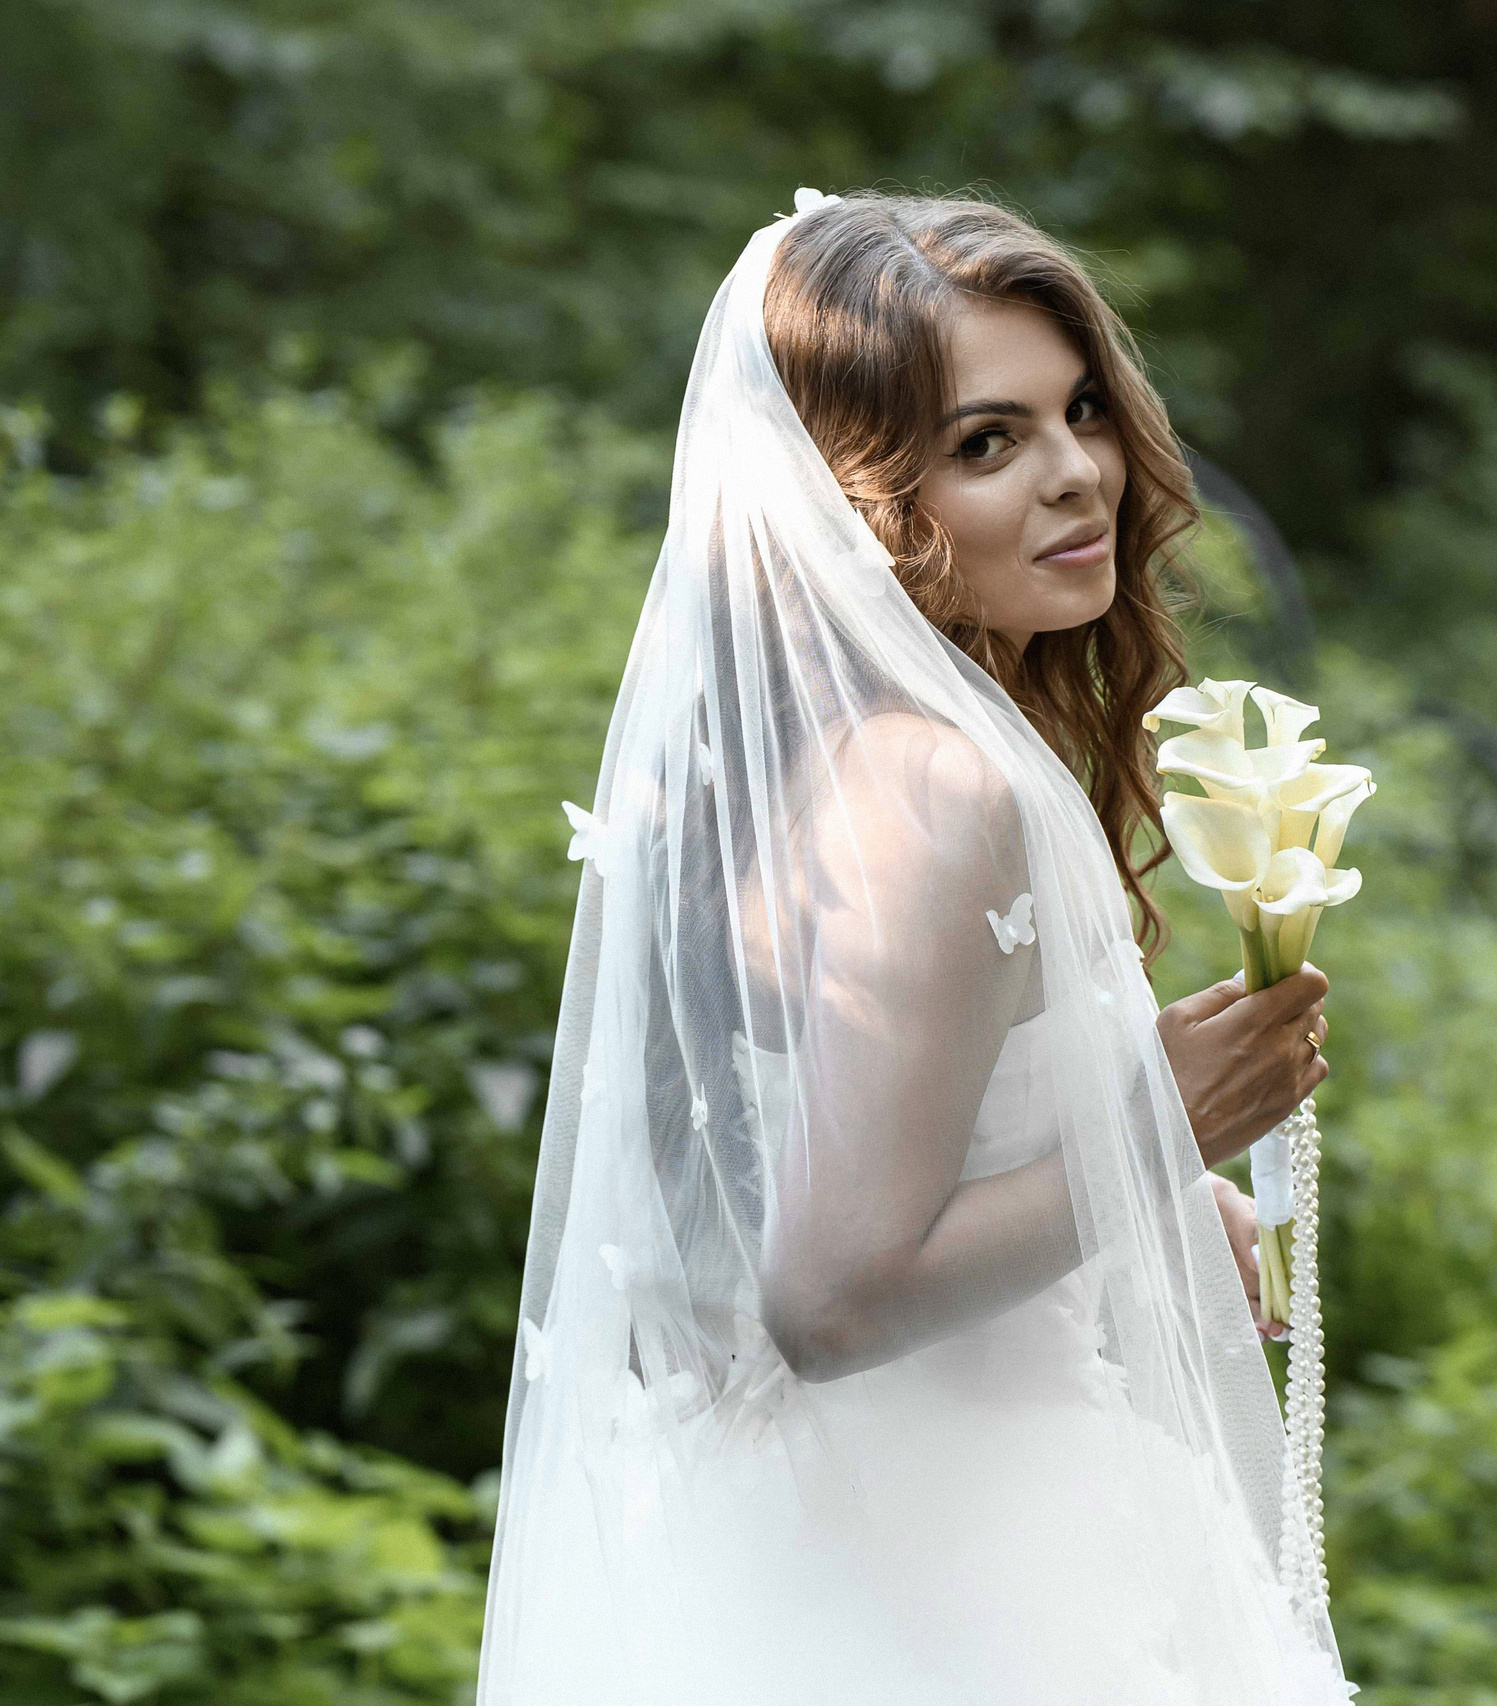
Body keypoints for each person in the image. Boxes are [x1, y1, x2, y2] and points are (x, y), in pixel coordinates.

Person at [474, 188, 1355, 1704]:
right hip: (969, 1582)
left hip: (841, 1542)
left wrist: (1159, 1188)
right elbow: (830, 1295)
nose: (1080, 474)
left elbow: (888, 1144)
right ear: (857, 497)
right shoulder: (931, 789)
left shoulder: (843, 753)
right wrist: (1156, 1129)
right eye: (985, 442)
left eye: (1079, 409)